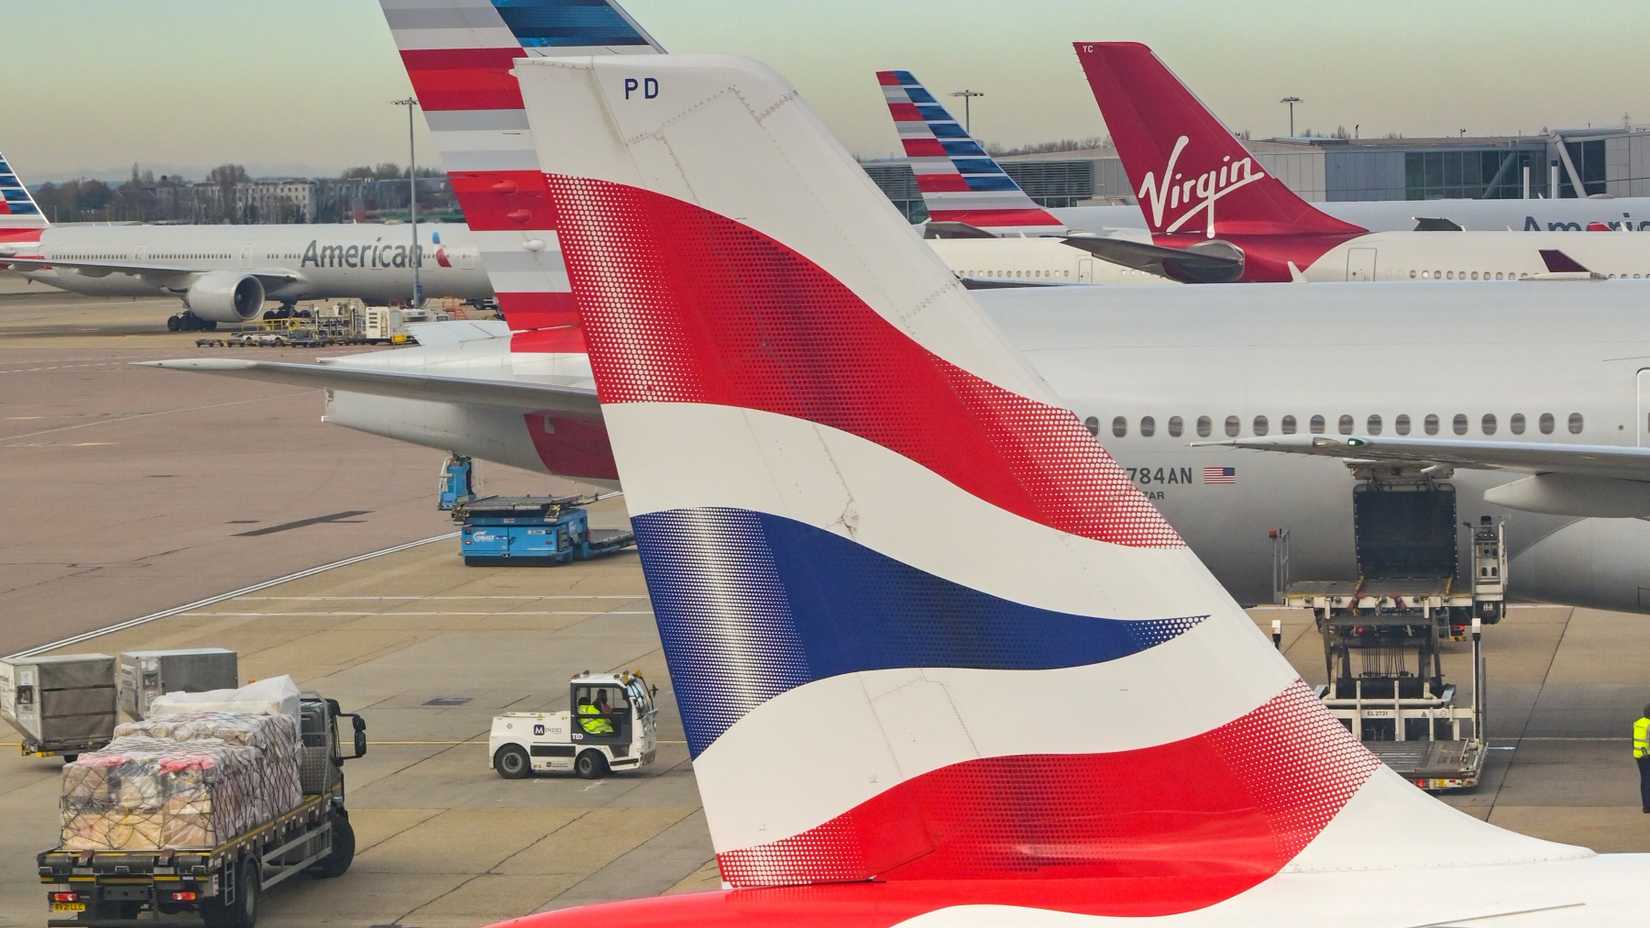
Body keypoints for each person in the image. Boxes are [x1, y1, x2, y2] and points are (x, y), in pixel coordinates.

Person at [1636, 705, 1650, 814]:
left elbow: (1633, 740)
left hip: (1639, 755)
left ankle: (1646, 805)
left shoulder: (1638, 723)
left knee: (1645, 779)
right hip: (1648, 755)